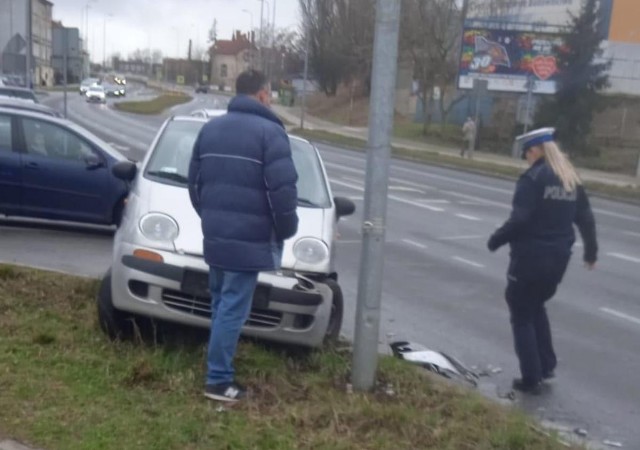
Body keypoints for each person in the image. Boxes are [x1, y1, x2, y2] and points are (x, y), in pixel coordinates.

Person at [188, 70, 299, 402]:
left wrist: (211, 217)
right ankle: (218, 381)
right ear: (264, 95)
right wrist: (286, 229)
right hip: (249, 239)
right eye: (270, 93)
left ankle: (216, 367)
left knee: (222, 304)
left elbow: (195, 185)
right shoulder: (271, 134)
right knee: (233, 308)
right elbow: (283, 193)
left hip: (216, 235)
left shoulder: (209, 130)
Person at [487, 128, 598, 395]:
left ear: (536, 150)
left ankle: (531, 377)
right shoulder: (570, 178)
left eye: (527, 153)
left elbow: (520, 220)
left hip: (529, 259)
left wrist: (496, 239)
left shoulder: (532, 178)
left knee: (521, 314)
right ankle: (546, 365)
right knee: (536, 306)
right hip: (559, 258)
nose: (526, 158)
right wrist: (591, 252)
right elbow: (586, 218)